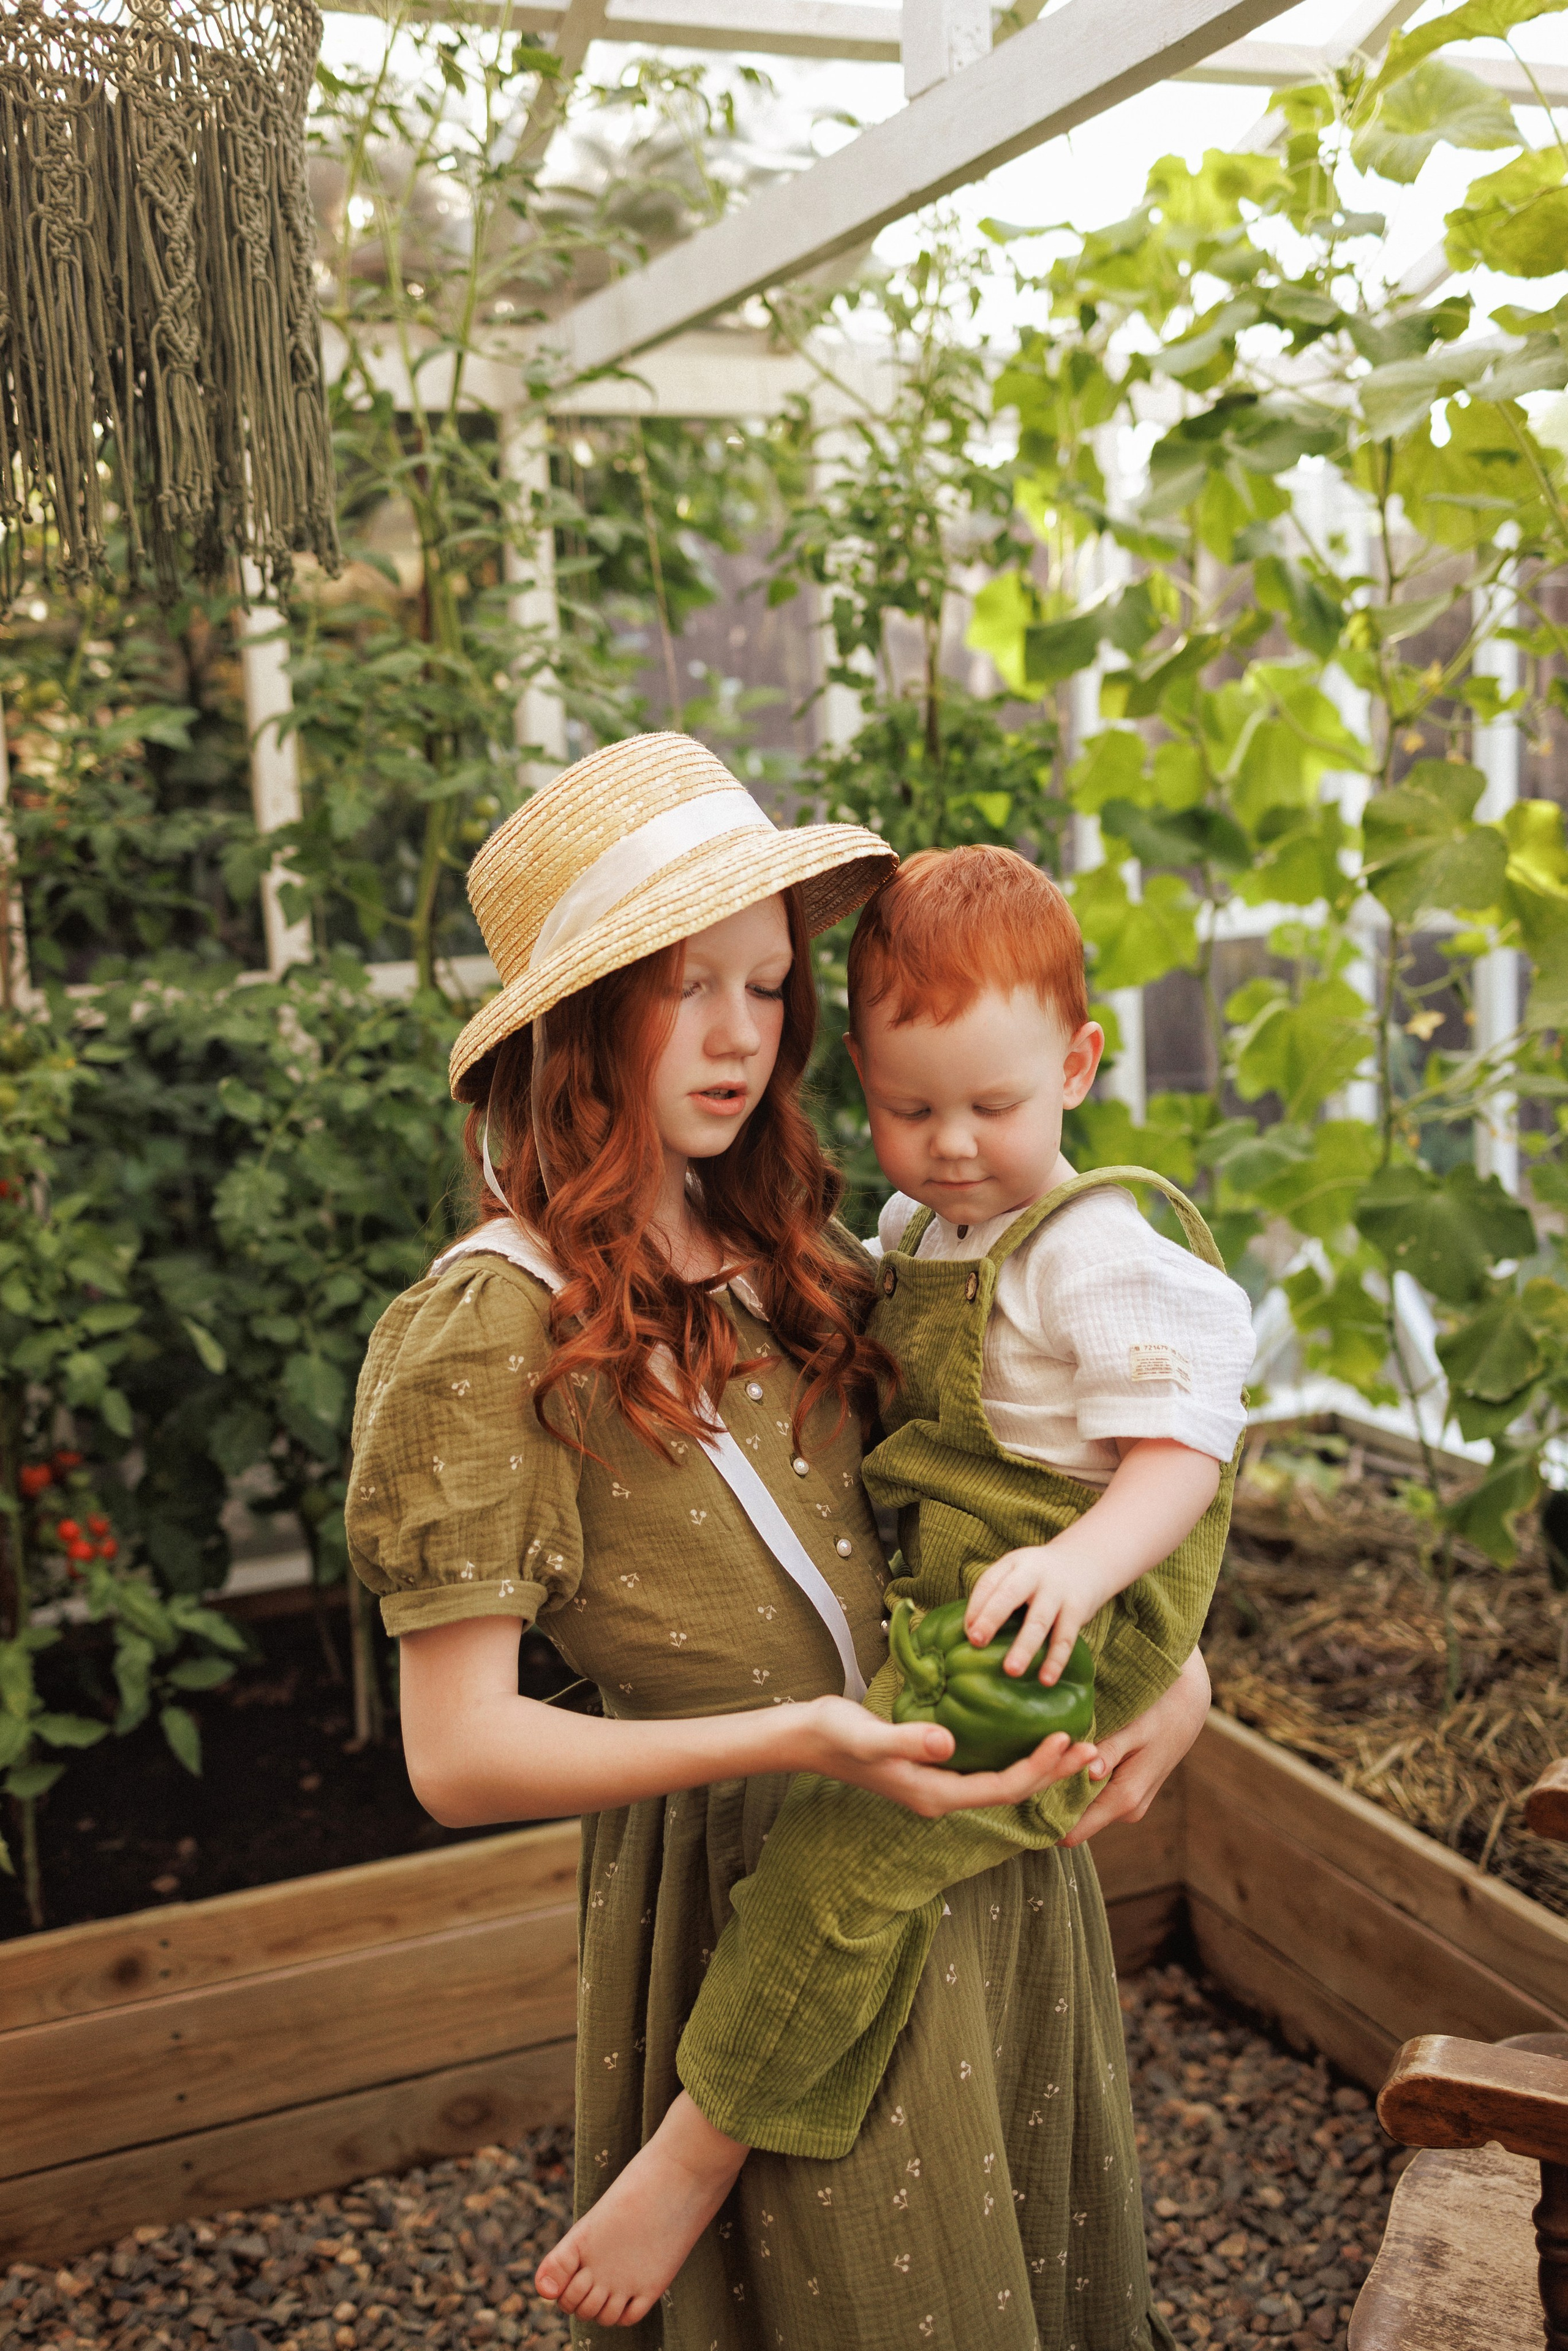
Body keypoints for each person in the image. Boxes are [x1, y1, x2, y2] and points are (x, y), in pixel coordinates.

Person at [345, 738, 1216, 2351]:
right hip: (752, 1857)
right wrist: (813, 1736)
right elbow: (458, 1754)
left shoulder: (795, 1250)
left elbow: (1008, 1484)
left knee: (1024, 2260)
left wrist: (1177, 1666)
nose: (744, 1033)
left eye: (767, 983)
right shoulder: (484, 1321)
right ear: (577, 1018)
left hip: (963, 1826)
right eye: (687, 987)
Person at [537, 843, 1255, 2333]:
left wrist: (1090, 1571)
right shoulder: (925, 1234)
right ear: (857, 1068)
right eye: (905, 1107)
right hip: (983, 1608)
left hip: (1053, 1623)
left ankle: (695, 2144)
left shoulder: (1100, 1250)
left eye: (992, 1107)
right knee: (856, 1858)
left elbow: (1179, 1456)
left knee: (836, 1861)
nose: (946, 1146)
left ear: (1078, 1060)